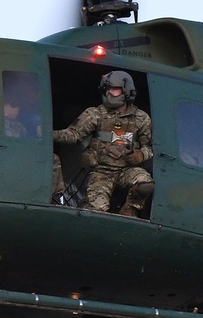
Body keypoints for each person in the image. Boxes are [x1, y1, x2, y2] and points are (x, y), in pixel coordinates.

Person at [53, 70, 154, 217]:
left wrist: (140, 155)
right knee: (98, 212)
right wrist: (48, 134)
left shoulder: (141, 118)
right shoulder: (96, 114)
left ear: (126, 91)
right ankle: (86, 205)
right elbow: (73, 135)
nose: (109, 93)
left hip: (126, 170)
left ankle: (130, 208)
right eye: (107, 89)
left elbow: (149, 148)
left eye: (114, 89)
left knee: (145, 184)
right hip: (102, 172)